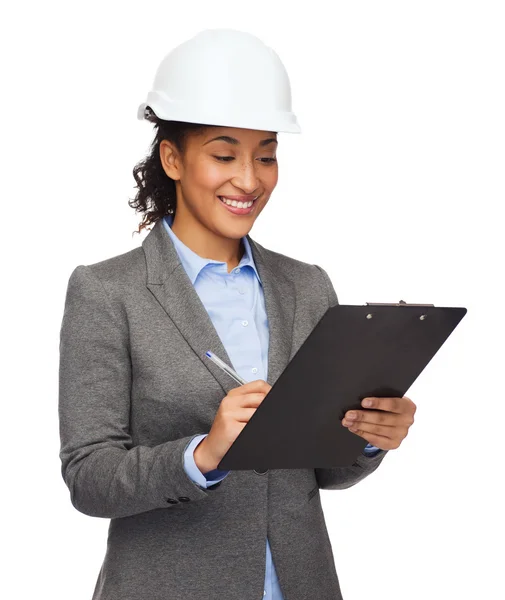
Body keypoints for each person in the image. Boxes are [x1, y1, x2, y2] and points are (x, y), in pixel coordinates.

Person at [58, 28, 415, 600]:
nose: (249, 180)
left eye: (267, 156)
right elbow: (88, 478)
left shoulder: (306, 285)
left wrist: (369, 438)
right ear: (172, 158)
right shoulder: (107, 292)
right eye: (224, 155)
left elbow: (323, 471)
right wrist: (202, 455)